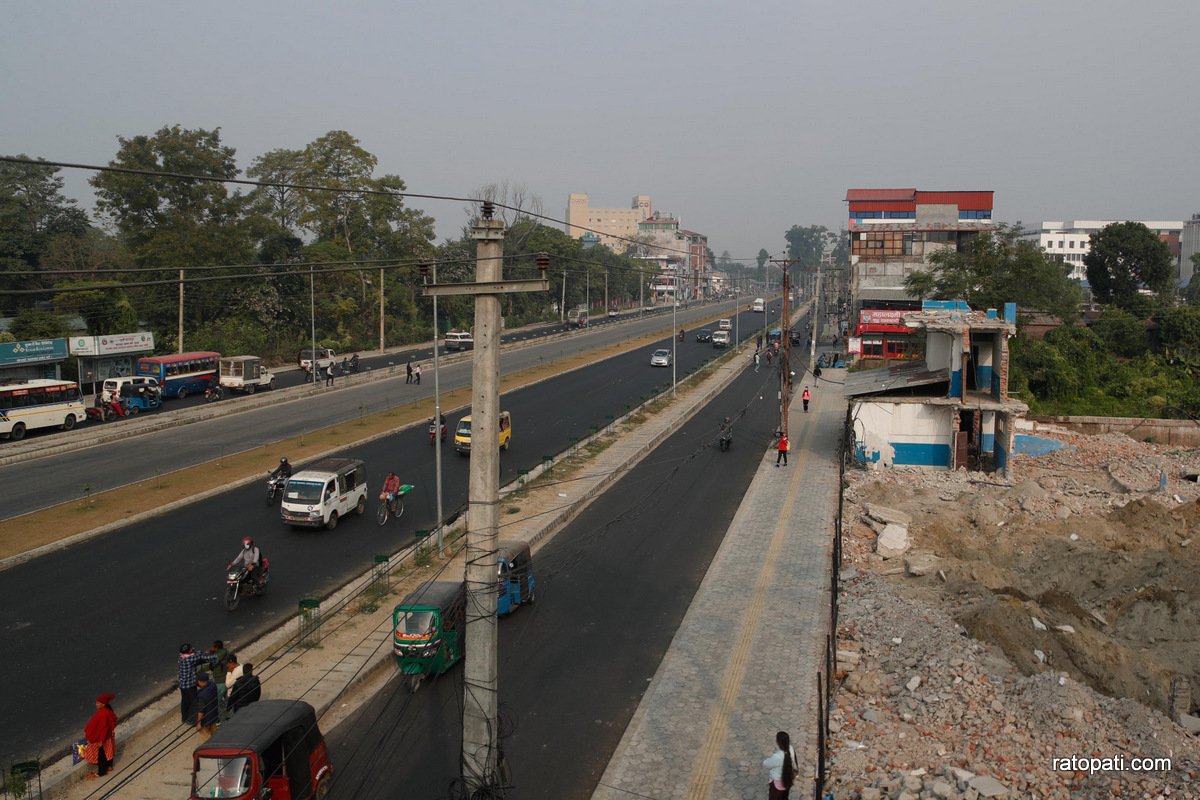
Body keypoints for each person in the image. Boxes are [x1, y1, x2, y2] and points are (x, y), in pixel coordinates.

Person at [177, 644, 218, 725]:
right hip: (190, 685)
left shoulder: (181, 657)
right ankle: (194, 720)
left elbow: (195, 652)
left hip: (182, 685)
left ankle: (185, 718)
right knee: (194, 702)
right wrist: (214, 655)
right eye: (190, 649)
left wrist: (196, 652)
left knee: (184, 701)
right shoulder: (190, 659)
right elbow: (202, 656)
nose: (192, 649)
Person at [82, 693, 117, 779]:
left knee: (101, 755)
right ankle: (109, 766)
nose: (96, 704)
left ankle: (101, 772)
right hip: (107, 737)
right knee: (109, 752)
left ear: (103, 704)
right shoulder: (108, 711)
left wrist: (101, 740)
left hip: (102, 738)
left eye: (98, 703)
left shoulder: (102, 714)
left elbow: (103, 728)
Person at [762, 730, 798, 799]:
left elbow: (765, 764)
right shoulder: (791, 748)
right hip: (788, 781)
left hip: (777, 784)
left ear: (778, 742)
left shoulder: (777, 756)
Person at [205, 640, 230, 722]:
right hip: (223, 679)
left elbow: (213, 661)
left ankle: (218, 719)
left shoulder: (219, 655)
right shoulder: (224, 652)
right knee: (226, 699)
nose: (212, 648)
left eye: (213, 647)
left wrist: (210, 653)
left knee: (217, 701)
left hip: (220, 681)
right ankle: (228, 715)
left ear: (217, 647)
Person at [195, 673, 218, 740]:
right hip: (214, 714)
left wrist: (198, 723)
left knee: (205, 738)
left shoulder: (202, 695)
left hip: (206, 719)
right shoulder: (213, 685)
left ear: (199, 681)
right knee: (214, 733)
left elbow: (201, 710)